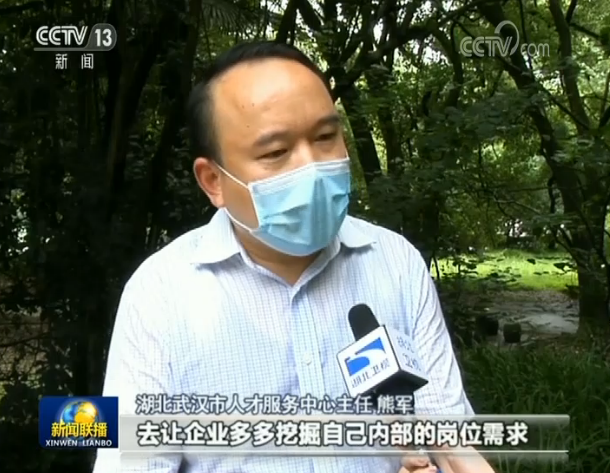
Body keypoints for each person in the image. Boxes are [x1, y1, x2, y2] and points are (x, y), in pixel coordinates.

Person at [92, 40, 495, 473]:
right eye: (275, 152)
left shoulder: (396, 264)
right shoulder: (161, 294)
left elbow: (450, 439)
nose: (312, 167)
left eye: (325, 137)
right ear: (213, 181)